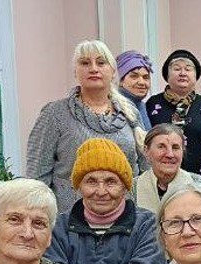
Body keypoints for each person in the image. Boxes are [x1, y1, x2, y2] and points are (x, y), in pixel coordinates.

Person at [45, 137, 161, 264]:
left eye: (110, 181)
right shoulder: (59, 228)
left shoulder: (147, 225)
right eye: (91, 181)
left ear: (125, 186)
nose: (100, 191)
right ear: (79, 186)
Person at [26, 39, 145, 213]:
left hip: (125, 216)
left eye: (101, 62)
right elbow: (37, 175)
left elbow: (145, 167)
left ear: (113, 71)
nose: (93, 68)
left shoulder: (131, 113)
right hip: (71, 219)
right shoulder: (55, 113)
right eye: (85, 63)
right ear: (75, 71)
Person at [146, 49, 201, 195]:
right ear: (167, 75)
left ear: (195, 76)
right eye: (177, 69)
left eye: (188, 69)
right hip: (161, 181)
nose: (182, 73)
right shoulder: (152, 104)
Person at [135, 123, 201, 212]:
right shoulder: (132, 188)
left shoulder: (200, 185)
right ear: (146, 151)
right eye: (161, 147)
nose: (170, 154)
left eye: (175, 148)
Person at [116, 49, 153, 130]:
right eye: (134, 76)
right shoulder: (114, 107)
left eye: (146, 77)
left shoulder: (143, 106)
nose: (141, 82)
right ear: (121, 81)